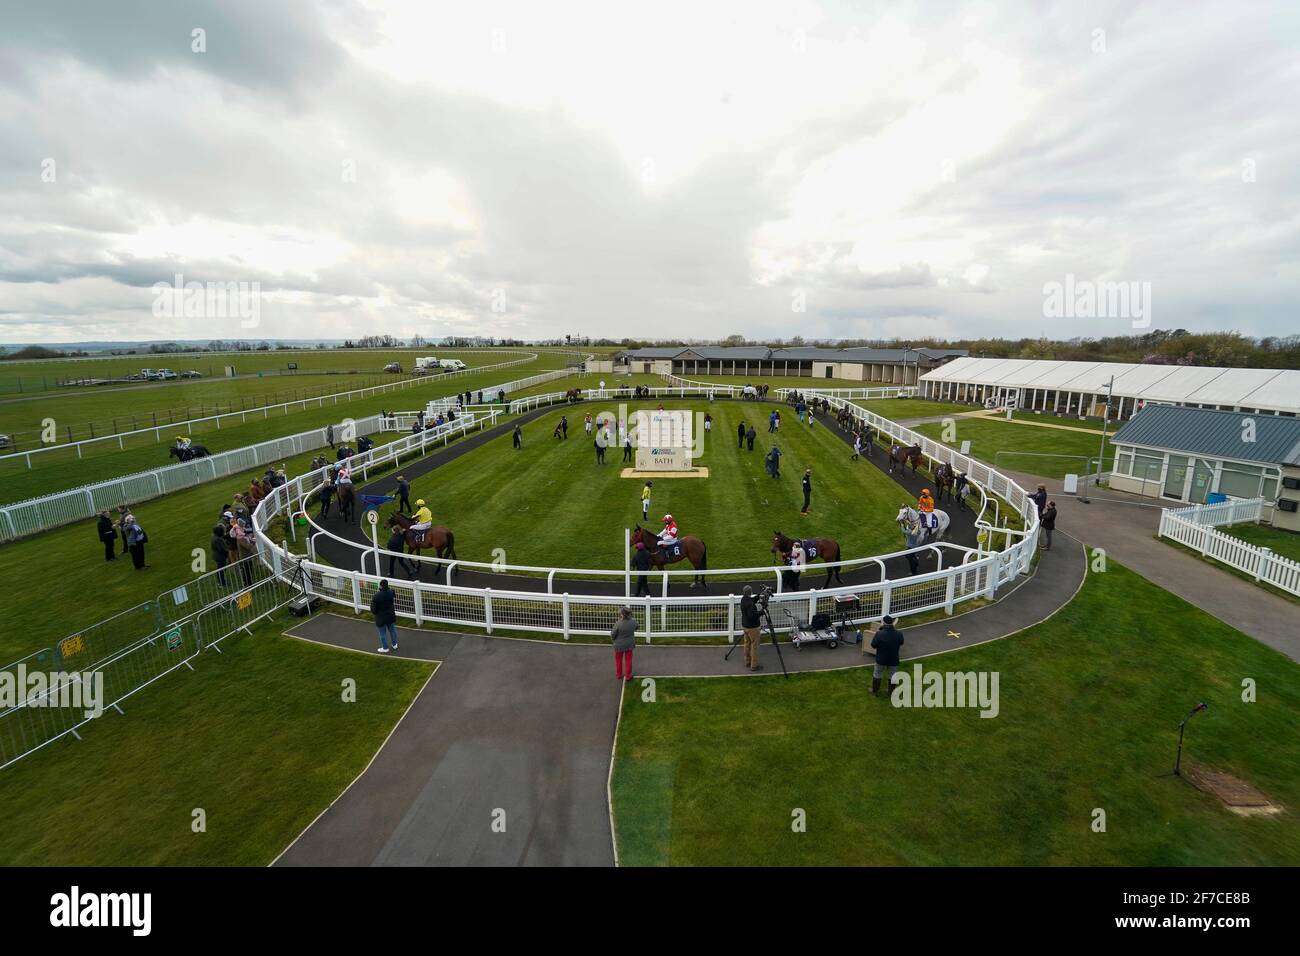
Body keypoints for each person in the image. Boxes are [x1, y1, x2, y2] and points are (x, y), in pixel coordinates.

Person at [870, 615, 904, 696]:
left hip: (881, 659)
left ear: (883, 623)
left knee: (877, 674)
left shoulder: (879, 633)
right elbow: (901, 642)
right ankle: (891, 692)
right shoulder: (899, 633)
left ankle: (875, 691)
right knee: (893, 676)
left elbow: (873, 645)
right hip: (893, 659)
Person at [739, 585, 763, 672]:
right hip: (753, 628)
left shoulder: (743, 599)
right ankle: (754, 665)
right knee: (754, 646)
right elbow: (753, 616)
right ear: (751, 592)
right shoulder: (750, 605)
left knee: (747, 644)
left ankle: (747, 661)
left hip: (745, 626)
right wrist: (762, 611)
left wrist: (757, 597)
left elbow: (751, 601)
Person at [371, 580, 399, 653]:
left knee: (382, 633)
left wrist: (376, 613)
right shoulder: (391, 592)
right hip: (390, 615)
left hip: (381, 617)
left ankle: (385, 647)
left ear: (381, 586)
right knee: (392, 630)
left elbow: (373, 609)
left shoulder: (377, 596)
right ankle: (394, 644)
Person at [611, 606, 637, 682]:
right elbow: (636, 627)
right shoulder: (633, 622)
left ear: (622, 614)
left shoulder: (618, 623)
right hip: (629, 644)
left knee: (618, 660)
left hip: (619, 645)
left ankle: (619, 674)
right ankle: (628, 676)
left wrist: (613, 639)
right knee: (628, 660)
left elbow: (613, 634)